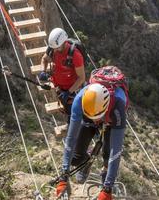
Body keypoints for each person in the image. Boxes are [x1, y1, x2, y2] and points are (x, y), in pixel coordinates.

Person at [55, 67, 128, 200]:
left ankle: (104, 179)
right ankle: (88, 160)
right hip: (90, 111)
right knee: (76, 158)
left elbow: (115, 151)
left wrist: (107, 188)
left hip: (110, 116)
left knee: (107, 156)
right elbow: (71, 138)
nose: (96, 121)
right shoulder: (79, 100)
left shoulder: (118, 107)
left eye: (97, 118)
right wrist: (63, 175)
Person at [40, 28, 86, 115]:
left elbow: (81, 78)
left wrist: (68, 92)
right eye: (53, 48)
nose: (55, 50)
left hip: (72, 89)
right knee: (67, 109)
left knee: (74, 112)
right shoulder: (53, 48)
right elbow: (44, 59)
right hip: (60, 87)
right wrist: (43, 70)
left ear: (64, 42)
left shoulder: (75, 55)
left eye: (57, 48)